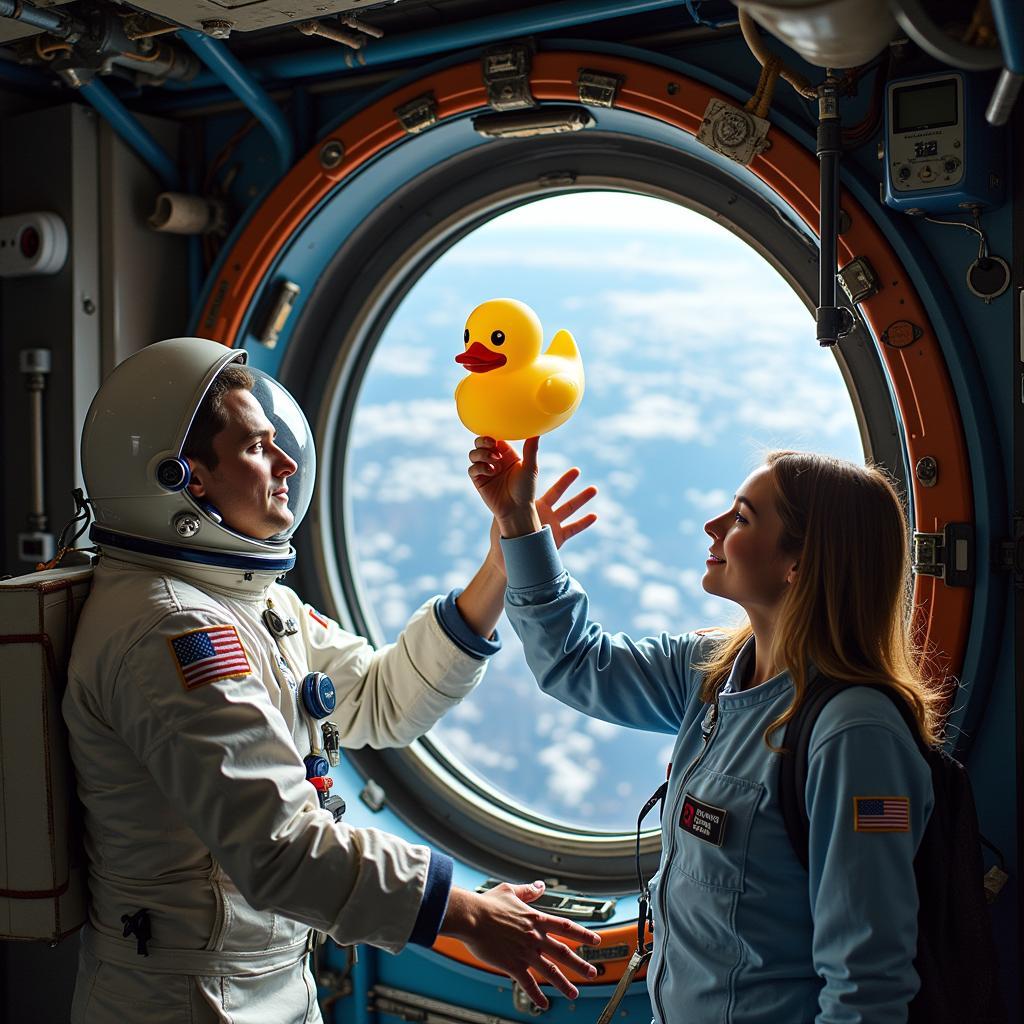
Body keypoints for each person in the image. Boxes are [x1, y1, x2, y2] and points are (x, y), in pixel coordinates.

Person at [63, 337, 601, 1024]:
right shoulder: (170, 631)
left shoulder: (247, 602)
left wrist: (501, 559)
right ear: (186, 478)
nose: (288, 462)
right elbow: (280, 848)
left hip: (258, 980)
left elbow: (382, 700)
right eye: (259, 448)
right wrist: (465, 913)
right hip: (187, 999)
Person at [467, 435, 943, 1024]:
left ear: (800, 563)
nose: (712, 527)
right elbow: (574, 663)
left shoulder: (854, 737)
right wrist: (518, 524)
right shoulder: (717, 671)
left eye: (741, 517)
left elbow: (865, 989)